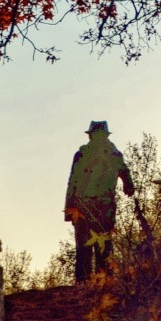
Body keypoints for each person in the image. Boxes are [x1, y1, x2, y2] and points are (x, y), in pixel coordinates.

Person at [64, 121, 135, 284]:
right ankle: (105, 282)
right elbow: (125, 173)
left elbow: (72, 181)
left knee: (84, 246)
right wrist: (128, 186)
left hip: (83, 206)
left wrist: (70, 209)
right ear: (106, 135)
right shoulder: (115, 154)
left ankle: (84, 284)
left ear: (90, 135)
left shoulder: (81, 154)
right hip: (105, 206)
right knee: (104, 245)